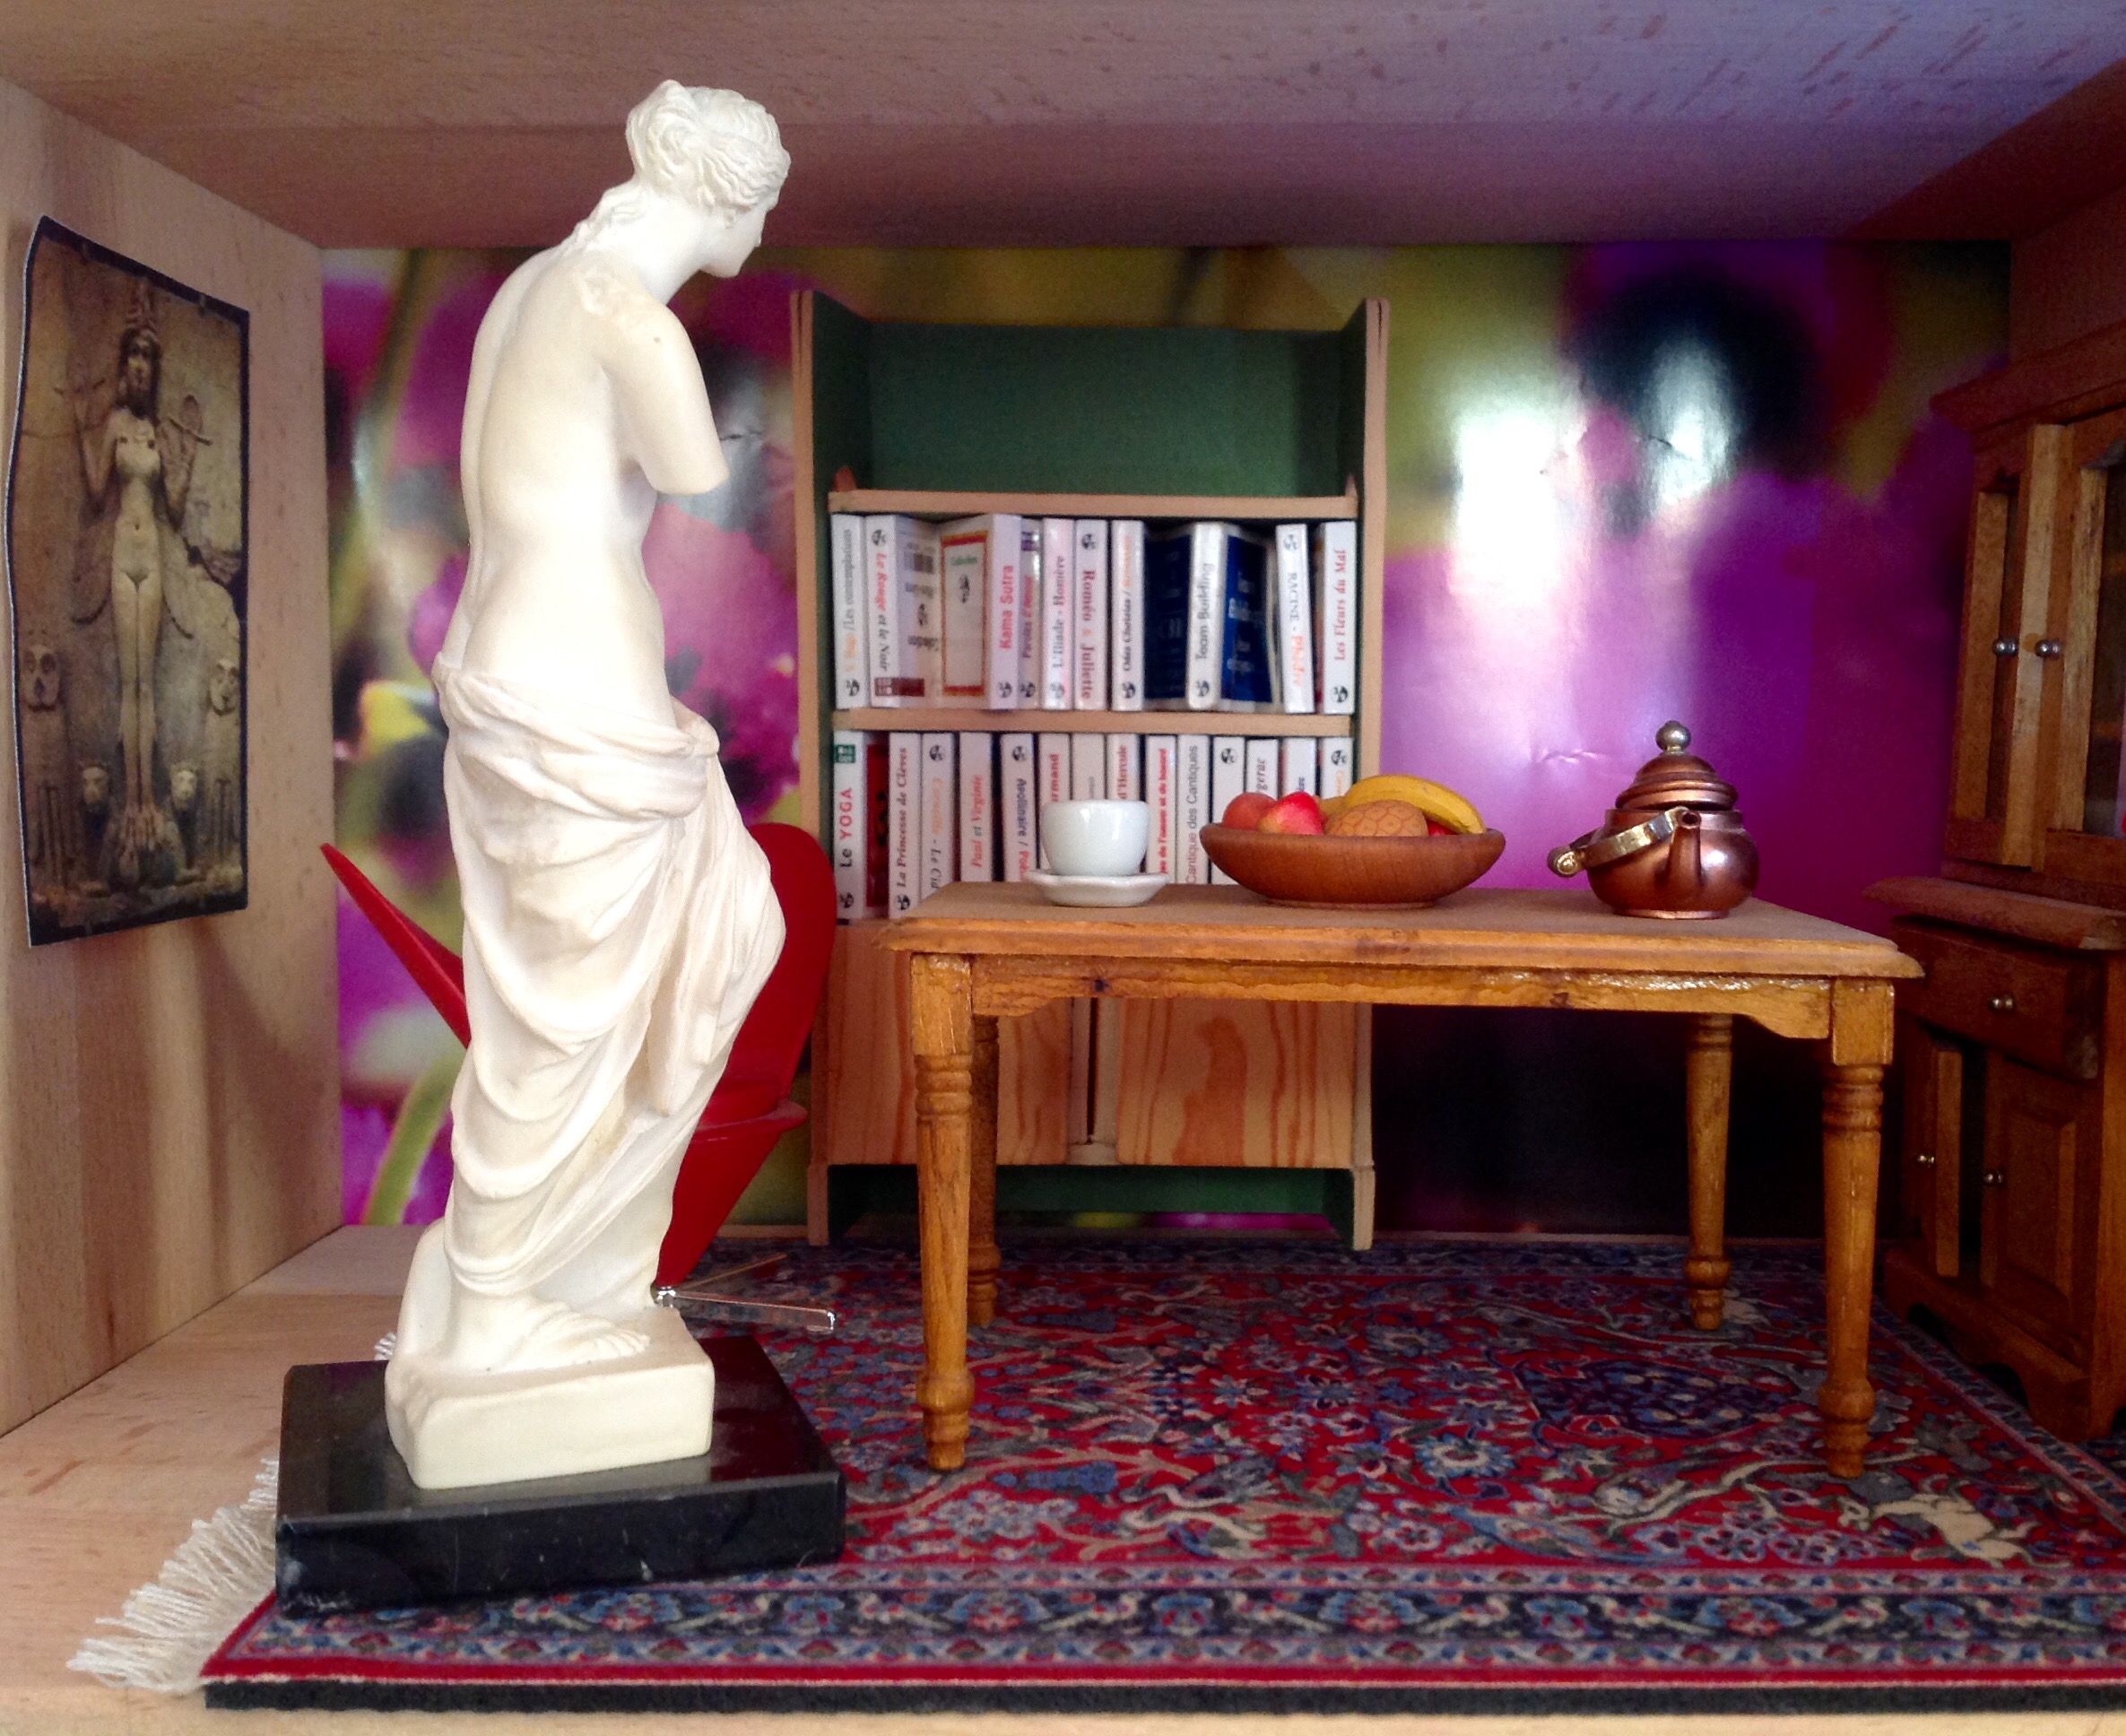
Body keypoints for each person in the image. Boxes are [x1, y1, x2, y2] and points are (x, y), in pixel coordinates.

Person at [386, 83, 791, 1483]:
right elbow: (691, 466)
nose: (762, 228)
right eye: (762, 201)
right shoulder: (630, 316)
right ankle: (501, 1296)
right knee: (565, 1018)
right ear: (726, 195)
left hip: (529, 675)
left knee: (722, 928)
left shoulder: (529, 295)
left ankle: (570, 1269)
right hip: (573, 691)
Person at [67, 305, 205, 861]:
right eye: (135, 355)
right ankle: (133, 803)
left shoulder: (157, 433)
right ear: (125, 365)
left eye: (149, 356)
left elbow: (175, 505)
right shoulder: (117, 427)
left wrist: (186, 457)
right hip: (123, 552)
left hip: (153, 554)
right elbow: (96, 488)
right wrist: (83, 427)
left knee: (149, 681)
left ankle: (149, 798)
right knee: (131, 682)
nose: (142, 365)